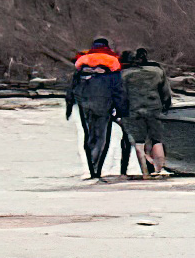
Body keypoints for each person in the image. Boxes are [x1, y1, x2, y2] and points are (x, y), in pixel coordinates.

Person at [64, 39, 126, 179]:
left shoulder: (81, 67)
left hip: (84, 104)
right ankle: (97, 169)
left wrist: (69, 107)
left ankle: (91, 168)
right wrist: (121, 110)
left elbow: (71, 90)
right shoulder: (112, 65)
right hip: (104, 104)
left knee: (88, 136)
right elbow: (118, 91)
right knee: (102, 137)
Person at [119, 48, 174, 178]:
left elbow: (121, 95)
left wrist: (120, 111)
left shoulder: (125, 74)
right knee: (156, 140)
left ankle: (145, 171)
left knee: (138, 141)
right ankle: (158, 169)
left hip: (134, 110)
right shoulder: (157, 72)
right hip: (154, 108)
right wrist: (166, 105)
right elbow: (165, 92)